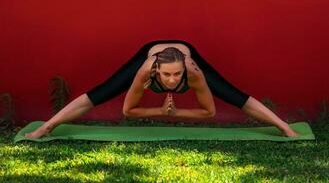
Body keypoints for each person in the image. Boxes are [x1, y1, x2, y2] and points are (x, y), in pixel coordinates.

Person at [25, 39, 300, 139]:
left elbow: (211, 111)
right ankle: (48, 126)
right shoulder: (145, 69)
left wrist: (176, 111)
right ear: (157, 70)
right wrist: (159, 109)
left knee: (231, 92)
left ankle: (282, 126)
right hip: (151, 52)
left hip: (185, 53)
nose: (171, 81)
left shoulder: (193, 73)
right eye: (167, 76)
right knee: (103, 90)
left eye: (175, 76)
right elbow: (127, 111)